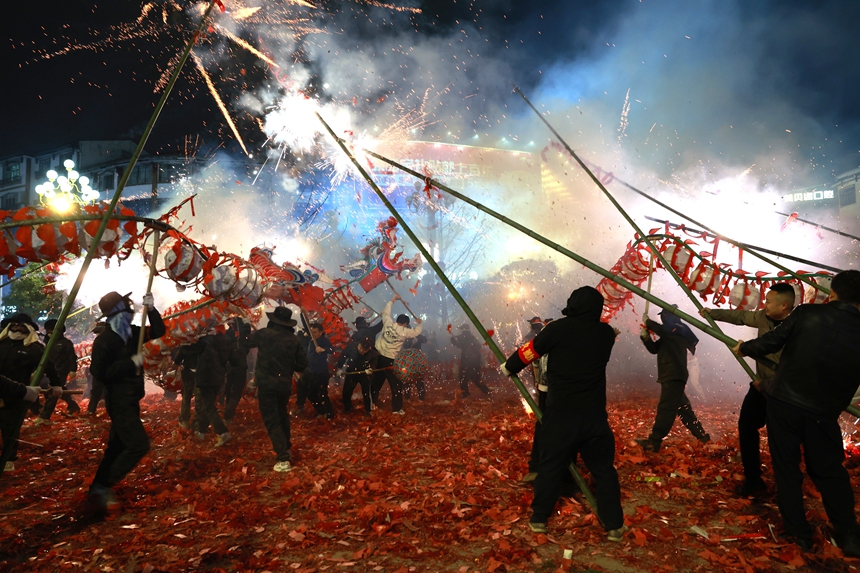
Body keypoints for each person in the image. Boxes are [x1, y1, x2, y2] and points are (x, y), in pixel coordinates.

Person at [733, 270, 860, 556]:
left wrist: (745, 348)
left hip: (784, 404)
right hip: (824, 413)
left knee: (787, 470)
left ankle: (798, 534)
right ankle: (849, 536)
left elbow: (771, 342)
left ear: (833, 294)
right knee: (829, 472)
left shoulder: (807, 314)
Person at [499, 286, 626, 541]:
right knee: (603, 470)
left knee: (550, 466)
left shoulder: (557, 329)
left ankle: (539, 519)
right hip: (594, 416)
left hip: (562, 413)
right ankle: (614, 525)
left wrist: (508, 367)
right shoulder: (605, 334)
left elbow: (529, 352)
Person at [701, 283, 795, 496]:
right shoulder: (763, 317)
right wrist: (712, 313)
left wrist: (769, 384)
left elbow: (795, 369)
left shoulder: (796, 326)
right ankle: (753, 480)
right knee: (746, 426)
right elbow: (741, 316)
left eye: (769, 301)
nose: (765, 305)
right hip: (760, 386)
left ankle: (788, 490)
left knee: (780, 438)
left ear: (784, 305)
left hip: (783, 392)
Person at [87, 291, 165, 513]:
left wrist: (152, 310)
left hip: (131, 397)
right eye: (126, 309)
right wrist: (131, 362)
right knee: (138, 444)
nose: (131, 314)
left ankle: (97, 487)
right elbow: (100, 372)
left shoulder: (131, 333)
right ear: (116, 314)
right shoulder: (105, 340)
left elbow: (158, 331)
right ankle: (103, 487)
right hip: (118, 400)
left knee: (117, 447)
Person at [243, 307, 308, 472]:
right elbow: (302, 364)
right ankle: (285, 446)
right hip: (284, 384)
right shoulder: (293, 340)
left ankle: (283, 458)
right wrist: (287, 364)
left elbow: (245, 342)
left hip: (266, 385)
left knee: (272, 419)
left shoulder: (264, 334)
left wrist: (243, 326)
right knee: (282, 414)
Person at [635, 307, 709, 452]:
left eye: (663, 316)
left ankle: (654, 441)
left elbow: (663, 330)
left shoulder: (677, 330)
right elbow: (654, 349)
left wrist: (648, 322)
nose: (662, 318)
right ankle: (702, 436)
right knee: (683, 408)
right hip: (671, 375)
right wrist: (645, 337)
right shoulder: (669, 335)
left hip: (673, 374)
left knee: (666, 408)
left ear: (668, 316)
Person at [0, 313, 63, 473]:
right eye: (13, 325)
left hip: (17, 395)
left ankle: (9, 458)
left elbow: (47, 365)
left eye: (20, 325)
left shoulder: (34, 348)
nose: (16, 328)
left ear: (28, 329)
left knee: (10, 428)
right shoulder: (2, 343)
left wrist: (56, 384)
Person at [372, 295, 422, 415]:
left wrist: (393, 299)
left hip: (378, 357)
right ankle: (396, 409)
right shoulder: (404, 331)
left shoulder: (388, 322)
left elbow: (386, 311)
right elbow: (417, 332)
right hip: (390, 361)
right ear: (405, 324)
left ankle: (371, 404)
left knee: (376, 384)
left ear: (397, 320)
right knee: (396, 385)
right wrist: (420, 323)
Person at [35, 318, 81, 423]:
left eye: (52, 331)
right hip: (48, 371)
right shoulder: (45, 343)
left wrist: (73, 369)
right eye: (48, 331)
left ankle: (45, 416)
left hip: (61, 370)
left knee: (53, 392)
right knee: (60, 389)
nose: (49, 333)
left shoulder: (66, 343)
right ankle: (73, 406)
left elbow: (71, 357)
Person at [193, 331, 233, 446]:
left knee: (208, 406)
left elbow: (191, 350)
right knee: (208, 404)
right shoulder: (227, 339)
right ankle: (201, 431)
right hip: (218, 377)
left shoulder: (205, 340)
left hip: (206, 377)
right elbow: (233, 359)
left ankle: (223, 432)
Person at [303, 322, 335, 419]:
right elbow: (306, 325)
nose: (313, 334)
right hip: (312, 371)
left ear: (321, 332)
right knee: (310, 393)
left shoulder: (324, 341)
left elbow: (332, 350)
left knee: (322, 394)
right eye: (312, 332)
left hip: (321, 372)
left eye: (315, 332)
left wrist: (323, 349)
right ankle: (321, 410)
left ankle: (330, 413)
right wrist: (302, 312)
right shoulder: (312, 340)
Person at [340, 338, 377, 415]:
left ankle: (368, 410)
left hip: (364, 375)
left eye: (364, 350)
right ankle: (347, 409)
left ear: (369, 349)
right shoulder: (351, 346)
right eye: (360, 348)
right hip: (351, 372)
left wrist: (370, 369)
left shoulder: (373, 353)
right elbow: (343, 356)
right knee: (346, 392)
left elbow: (374, 362)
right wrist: (339, 368)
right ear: (359, 344)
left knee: (366, 393)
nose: (361, 351)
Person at [450, 324, 489, 398]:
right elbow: (478, 346)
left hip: (467, 361)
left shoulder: (464, 336)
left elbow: (453, 340)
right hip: (475, 361)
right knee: (475, 378)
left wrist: (458, 341)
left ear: (463, 330)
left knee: (463, 378)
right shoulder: (472, 337)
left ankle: (466, 395)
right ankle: (486, 391)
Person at [224, 320, 251, 423]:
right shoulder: (244, 340)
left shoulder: (227, 336)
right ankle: (228, 413)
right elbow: (247, 351)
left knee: (229, 389)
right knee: (236, 392)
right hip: (240, 367)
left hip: (229, 366)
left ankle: (229, 412)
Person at [174, 339, 204, 430]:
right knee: (199, 399)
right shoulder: (204, 344)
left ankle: (184, 420)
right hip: (200, 373)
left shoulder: (185, 345)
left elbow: (178, 359)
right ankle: (197, 423)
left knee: (186, 397)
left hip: (188, 373)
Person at [84, 322, 107, 418]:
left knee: (101, 390)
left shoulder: (105, 341)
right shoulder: (98, 340)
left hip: (106, 370)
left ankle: (92, 409)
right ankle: (91, 409)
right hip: (99, 370)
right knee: (96, 390)